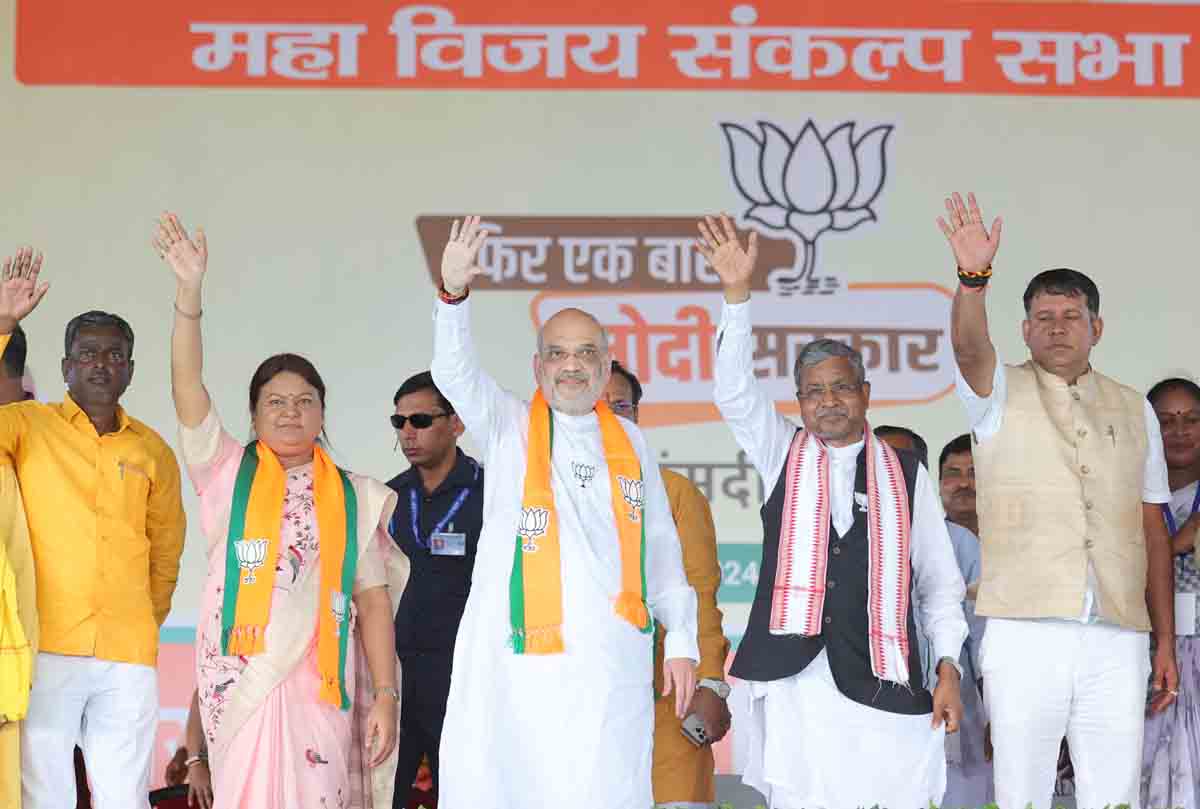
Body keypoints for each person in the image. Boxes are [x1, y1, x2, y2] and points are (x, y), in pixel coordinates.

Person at [699, 214, 967, 809]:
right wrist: (737, 298)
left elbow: (941, 588)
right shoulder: (780, 454)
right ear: (799, 402)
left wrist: (947, 664)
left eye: (841, 387)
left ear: (866, 394)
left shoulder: (907, 475)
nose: (828, 401)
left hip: (883, 673)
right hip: (798, 680)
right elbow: (734, 393)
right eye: (814, 391)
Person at [430, 217, 698, 809]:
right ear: (537, 368)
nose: (570, 366)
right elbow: (454, 374)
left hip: (606, 668)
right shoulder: (506, 426)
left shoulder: (634, 446)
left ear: (605, 370)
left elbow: (661, 550)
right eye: (556, 354)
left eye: (585, 354)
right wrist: (453, 297)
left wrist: (680, 638)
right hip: (516, 668)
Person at [154, 213, 408, 809]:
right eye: (276, 402)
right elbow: (186, 388)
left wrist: (389, 695)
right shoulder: (225, 473)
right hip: (238, 686)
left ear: (323, 412)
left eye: (304, 401)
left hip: (322, 688)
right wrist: (189, 294)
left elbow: (372, 601)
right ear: (253, 413)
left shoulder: (353, 495)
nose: (291, 412)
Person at [939, 191, 1178, 809]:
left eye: (1071, 316)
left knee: (1113, 792)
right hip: (1025, 630)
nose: (1057, 328)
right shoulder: (997, 393)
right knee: (1021, 791)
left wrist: (1164, 642)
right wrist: (972, 281)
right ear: (1025, 330)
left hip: (1117, 632)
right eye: (1043, 318)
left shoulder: (1134, 407)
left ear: (1097, 327)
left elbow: (1153, 526)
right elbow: (968, 350)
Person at [0, 247, 187, 809]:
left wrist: (140, 619)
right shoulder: (28, 427)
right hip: (48, 645)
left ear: (130, 369)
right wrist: (4, 324)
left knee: (124, 795)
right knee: (46, 794)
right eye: (86, 354)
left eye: (114, 355)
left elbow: (166, 553)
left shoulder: (153, 450)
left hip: (126, 652)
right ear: (65, 368)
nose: (101, 364)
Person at [605, 360, 729, 809]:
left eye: (622, 406)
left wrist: (712, 684)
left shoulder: (672, 492)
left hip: (666, 700)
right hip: (581, 698)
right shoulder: (544, 496)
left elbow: (700, 593)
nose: (612, 417)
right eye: (599, 406)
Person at [386, 371, 483, 806]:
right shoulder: (387, 497)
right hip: (395, 677)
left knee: (463, 795)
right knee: (384, 795)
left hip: (463, 678)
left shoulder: (492, 493)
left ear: (456, 423)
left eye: (421, 420)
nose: (408, 432)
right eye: (399, 422)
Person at [1142, 377, 1200, 809]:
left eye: (1192, 419)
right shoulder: (1127, 498)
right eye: (1165, 421)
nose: (1179, 431)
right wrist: (1174, 544)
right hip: (1145, 653)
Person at [938, 434, 977, 537]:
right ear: (940, 484)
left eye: (974, 474)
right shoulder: (922, 542)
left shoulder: (1017, 543)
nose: (963, 484)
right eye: (953, 474)